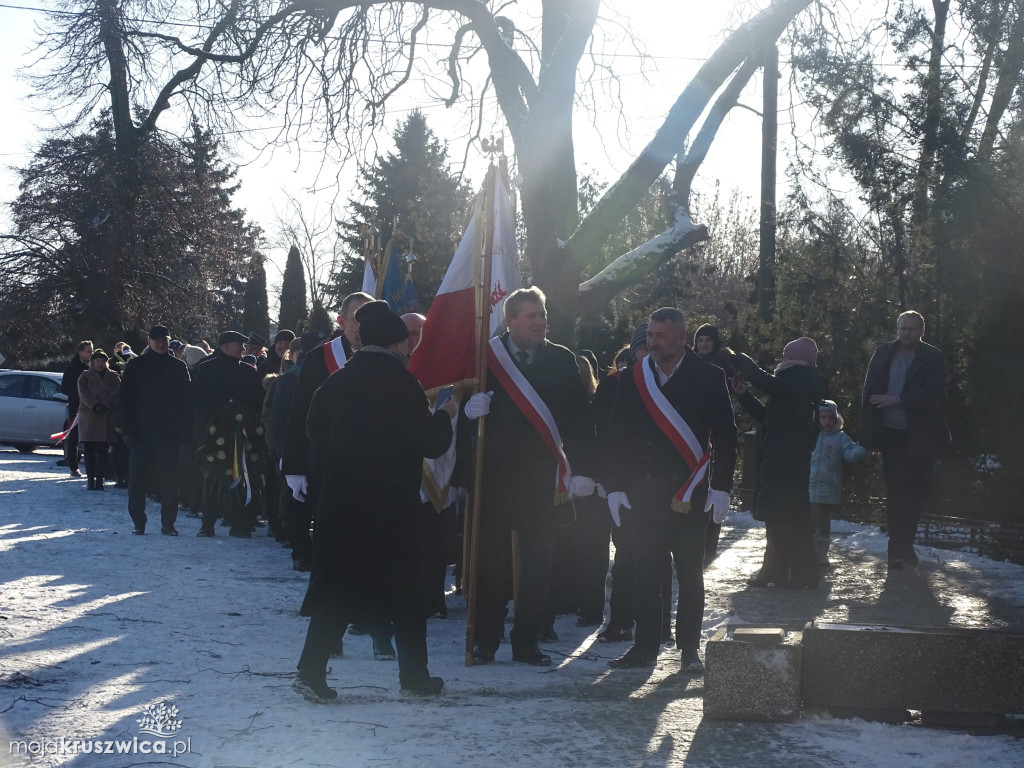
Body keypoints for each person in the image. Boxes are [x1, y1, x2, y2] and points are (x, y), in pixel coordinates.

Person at [293, 301, 458, 702]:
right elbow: (430, 443)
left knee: (337, 589)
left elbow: (314, 429)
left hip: (341, 504)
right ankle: (415, 678)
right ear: (396, 344)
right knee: (407, 593)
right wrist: (446, 415)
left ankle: (310, 671)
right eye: (406, 343)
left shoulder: (339, 380)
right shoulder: (403, 385)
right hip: (390, 509)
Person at [463, 286, 596, 666]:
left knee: (539, 568)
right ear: (510, 321)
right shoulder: (486, 358)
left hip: (544, 480)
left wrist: (583, 470)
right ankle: (485, 640)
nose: (540, 322)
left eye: (542, 314)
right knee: (491, 567)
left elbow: (579, 421)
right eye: (531, 316)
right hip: (497, 480)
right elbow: (455, 409)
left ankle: (527, 641)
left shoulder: (561, 359)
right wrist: (469, 419)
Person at [604, 308, 737, 672]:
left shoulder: (709, 376)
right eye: (650, 334)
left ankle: (689, 649)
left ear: (681, 338)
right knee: (646, 571)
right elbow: (617, 435)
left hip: (688, 493)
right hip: (643, 493)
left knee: (691, 573)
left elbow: (726, 434)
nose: (653, 341)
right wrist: (615, 486)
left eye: (661, 335)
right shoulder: (634, 377)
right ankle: (644, 648)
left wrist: (722, 487)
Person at [729, 337, 828, 588]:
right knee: (778, 520)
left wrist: (739, 357)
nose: (782, 359)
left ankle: (799, 575)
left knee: (789, 521)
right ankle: (778, 572)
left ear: (794, 358)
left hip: (786, 463)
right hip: (784, 461)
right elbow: (768, 417)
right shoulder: (796, 384)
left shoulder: (796, 381)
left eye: (785, 354)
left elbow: (762, 380)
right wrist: (745, 396)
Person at [860, 311, 950, 570]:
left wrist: (897, 399)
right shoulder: (883, 353)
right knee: (896, 492)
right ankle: (895, 550)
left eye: (912, 329)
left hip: (920, 435)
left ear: (921, 332)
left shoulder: (932, 357)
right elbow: (868, 391)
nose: (906, 333)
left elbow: (934, 393)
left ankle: (905, 545)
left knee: (917, 492)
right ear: (896, 329)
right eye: (902, 328)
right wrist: (868, 432)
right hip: (891, 433)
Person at [594, 323, 647, 644]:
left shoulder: (670, 381)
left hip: (658, 482)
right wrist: (607, 478)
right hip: (623, 482)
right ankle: (622, 620)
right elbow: (603, 433)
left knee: (656, 557)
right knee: (626, 554)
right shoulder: (615, 384)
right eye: (645, 345)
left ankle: (656, 623)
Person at [117, 325, 192, 536]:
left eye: (164, 340)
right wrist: (126, 429)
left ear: (169, 341)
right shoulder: (136, 365)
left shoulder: (178, 367)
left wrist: (185, 431)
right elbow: (124, 399)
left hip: (168, 434)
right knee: (137, 481)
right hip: (140, 433)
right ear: (149, 341)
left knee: (169, 482)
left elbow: (186, 402)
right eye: (156, 340)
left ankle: (168, 523)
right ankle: (138, 522)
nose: (160, 344)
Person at [192, 329, 264, 537]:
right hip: (214, 433)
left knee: (241, 476)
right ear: (225, 347)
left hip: (242, 433)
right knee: (212, 477)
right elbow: (196, 398)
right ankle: (208, 524)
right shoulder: (206, 369)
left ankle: (240, 523)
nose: (243, 348)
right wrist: (219, 415)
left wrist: (245, 417)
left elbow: (256, 401)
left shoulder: (249, 371)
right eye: (239, 344)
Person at [809, 400, 868, 567]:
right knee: (812, 519)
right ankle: (809, 550)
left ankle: (821, 554)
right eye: (823, 417)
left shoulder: (840, 438)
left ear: (836, 419)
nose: (826, 421)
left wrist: (865, 447)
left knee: (824, 522)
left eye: (830, 418)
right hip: (810, 487)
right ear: (817, 418)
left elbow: (851, 454)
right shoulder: (813, 435)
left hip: (829, 487)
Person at [76, 350, 120, 491]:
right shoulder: (85, 376)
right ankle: (90, 480)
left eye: (103, 361)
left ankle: (99, 480)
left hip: (106, 416)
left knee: (103, 451)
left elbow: (117, 392)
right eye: (97, 361)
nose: (100, 364)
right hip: (90, 416)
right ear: (92, 362)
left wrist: (105, 404)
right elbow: (83, 393)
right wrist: (95, 405)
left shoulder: (113, 376)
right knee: (89, 451)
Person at [60, 340, 93, 477]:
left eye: (92, 350)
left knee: (92, 436)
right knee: (74, 436)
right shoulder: (72, 367)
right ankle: (74, 467)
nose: (91, 353)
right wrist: (78, 395)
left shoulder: (93, 366)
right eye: (88, 351)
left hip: (92, 406)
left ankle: (93, 467)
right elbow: (64, 387)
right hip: (77, 406)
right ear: (80, 352)